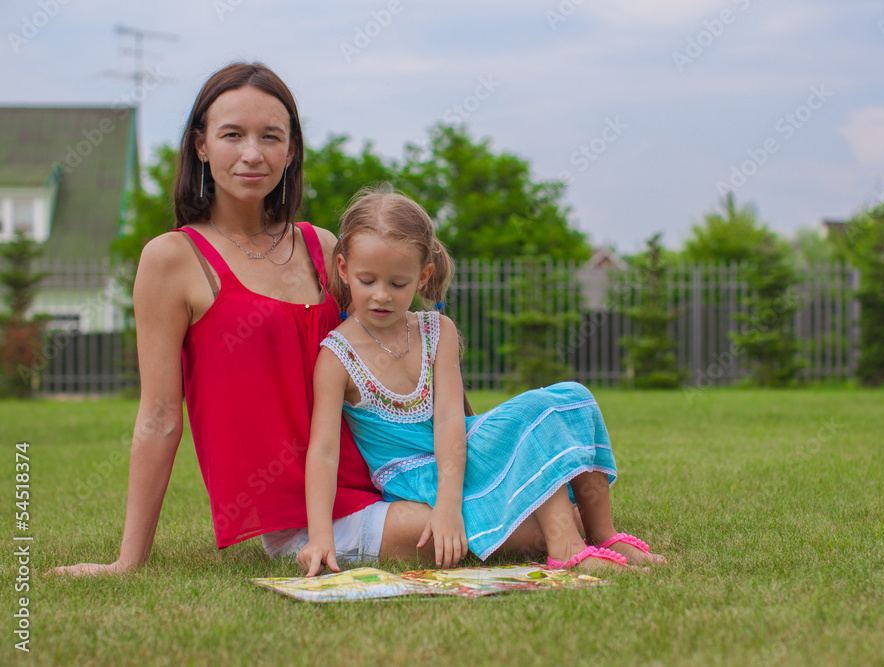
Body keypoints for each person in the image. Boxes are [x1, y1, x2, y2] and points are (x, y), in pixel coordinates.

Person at [52, 62, 547, 577]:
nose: (252, 153)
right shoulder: (172, 260)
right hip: (307, 514)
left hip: (394, 474)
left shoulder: (323, 248)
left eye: (271, 136)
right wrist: (127, 562)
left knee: (528, 481)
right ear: (200, 144)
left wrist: (459, 460)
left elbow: (406, 353)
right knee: (516, 532)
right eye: (232, 134)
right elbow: (159, 417)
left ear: (290, 151)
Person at [296, 187, 664, 577]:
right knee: (536, 418)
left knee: (572, 396)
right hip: (415, 476)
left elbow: (450, 418)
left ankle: (601, 533)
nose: (381, 296)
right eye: (367, 280)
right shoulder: (337, 356)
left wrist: (450, 504)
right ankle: (567, 548)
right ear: (343, 270)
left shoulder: (438, 331)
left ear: (423, 277)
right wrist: (321, 537)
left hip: (460, 455)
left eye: (398, 283)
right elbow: (322, 453)